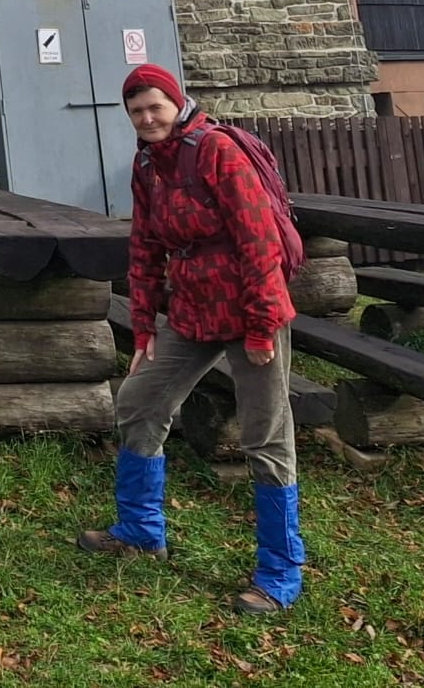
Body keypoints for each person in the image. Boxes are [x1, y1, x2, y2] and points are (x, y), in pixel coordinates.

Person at [77, 64, 306, 616]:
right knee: (139, 401)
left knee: (265, 436)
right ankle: (141, 531)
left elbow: (259, 240)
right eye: (136, 110)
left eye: (155, 106)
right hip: (192, 309)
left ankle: (280, 572)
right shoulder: (147, 163)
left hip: (250, 306)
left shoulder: (216, 151)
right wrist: (143, 325)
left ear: (176, 103)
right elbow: (144, 247)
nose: (146, 118)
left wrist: (261, 326)